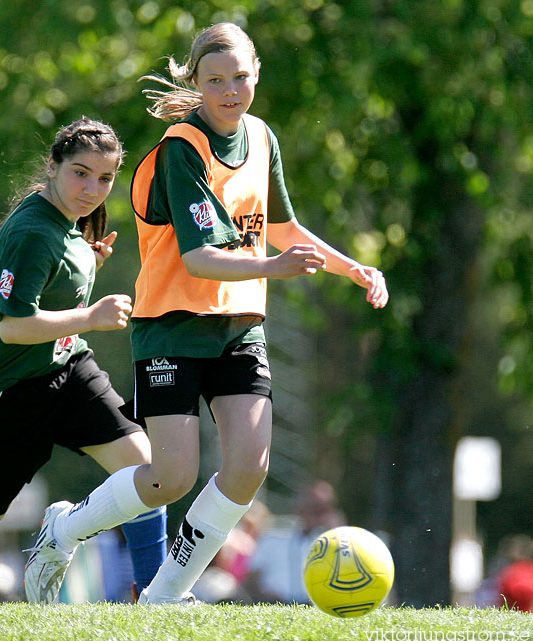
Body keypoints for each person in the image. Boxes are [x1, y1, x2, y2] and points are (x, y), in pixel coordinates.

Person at [25, 22, 388, 605]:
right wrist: (274, 269)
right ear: (196, 83)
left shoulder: (262, 137)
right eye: (214, 80)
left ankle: (166, 595)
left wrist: (353, 269)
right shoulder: (180, 150)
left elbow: (283, 227)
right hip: (170, 325)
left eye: (240, 77)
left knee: (249, 467)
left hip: (240, 324)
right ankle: (63, 528)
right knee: (171, 478)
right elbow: (199, 259)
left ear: (256, 75)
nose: (229, 90)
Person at [0, 117, 167, 603]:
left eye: (104, 179)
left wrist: (86, 267)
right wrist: (90, 315)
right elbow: (12, 327)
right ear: (53, 166)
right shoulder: (33, 232)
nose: (92, 189)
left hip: (66, 369)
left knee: (147, 468)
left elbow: (49, 285)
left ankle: (156, 593)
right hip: (2, 393)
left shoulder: (68, 224)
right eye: (80, 173)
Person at [244, 481, 346, 604]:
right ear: (299, 508)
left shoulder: (337, 543)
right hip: (274, 603)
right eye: (310, 507)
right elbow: (251, 580)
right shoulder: (273, 539)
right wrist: (263, 594)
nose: (314, 515)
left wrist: (337, 531)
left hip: (320, 604)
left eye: (321, 510)